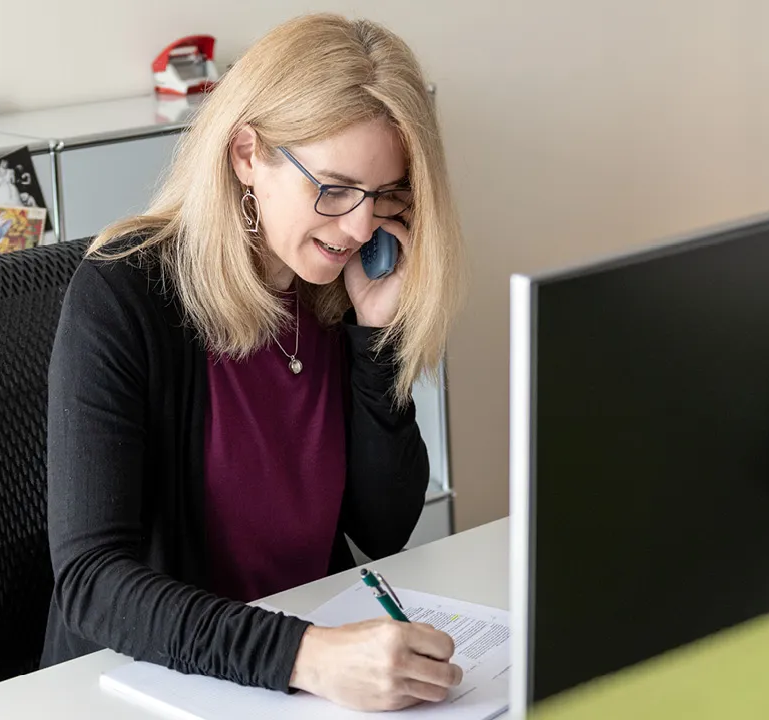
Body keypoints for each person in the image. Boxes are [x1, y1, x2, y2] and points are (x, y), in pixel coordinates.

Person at [44, 13, 466, 713]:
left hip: (291, 674)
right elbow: (93, 581)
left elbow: (382, 527)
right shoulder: (126, 295)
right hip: (152, 682)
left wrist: (378, 337)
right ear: (247, 154)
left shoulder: (336, 293)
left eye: (385, 194)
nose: (360, 228)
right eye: (333, 190)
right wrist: (305, 655)